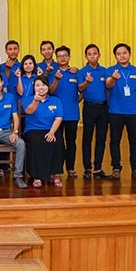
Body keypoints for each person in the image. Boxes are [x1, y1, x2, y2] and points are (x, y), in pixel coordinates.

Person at [106, 43, 136, 181]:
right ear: (115, 56)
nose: (122, 56)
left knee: (135, 141)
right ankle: (116, 168)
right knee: (114, 140)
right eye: (118, 54)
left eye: (124, 53)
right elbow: (108, 85)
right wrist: (113, 78)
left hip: (133, 112)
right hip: (115, 111)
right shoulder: (111, 70)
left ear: (130, 54)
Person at [23, 76, 64, 188]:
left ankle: (55, 174)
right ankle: (37, 176)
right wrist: (36, 100)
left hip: (50, 128)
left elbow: (58, 118)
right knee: (37, 142)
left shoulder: (55, 100)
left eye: (43, 85)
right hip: (33, 129)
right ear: (34, 88)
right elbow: (29, 111)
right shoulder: (28, 98)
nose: (41, 88)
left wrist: (51, 132)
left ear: (48, 86)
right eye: (38, 85)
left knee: (58, 141)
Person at [78, 44, 110, 179]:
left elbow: (109, 87)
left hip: (103, 108)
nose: (92, 56)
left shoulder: (105, 71)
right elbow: (80, 88)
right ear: (85, 56)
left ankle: (98, 168)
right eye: (89, 54)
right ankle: (87, 168)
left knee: (101, 138)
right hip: (89, 107)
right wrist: (87, 81)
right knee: (87, 138)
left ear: (99, 55)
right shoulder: (82, 71)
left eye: (95, 53)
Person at [49, 46, 80, 178]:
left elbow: (82, 90)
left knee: (71, 142)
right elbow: (50, 92)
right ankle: (57, 169)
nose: (62, 58)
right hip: (56, 116)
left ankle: (71, 168)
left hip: (72, 114)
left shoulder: (75, 72)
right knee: (58, 143)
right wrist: (56, 79)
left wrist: (75, 101)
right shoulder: (52, 73)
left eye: (65, 56)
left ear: (69, 57)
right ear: (56, 58)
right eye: (59, 56)